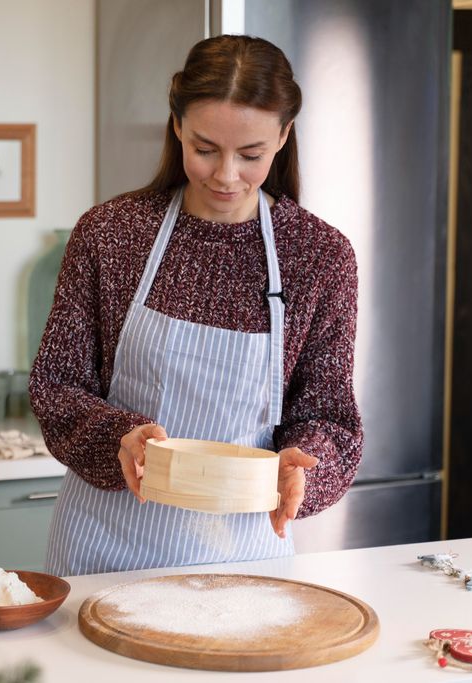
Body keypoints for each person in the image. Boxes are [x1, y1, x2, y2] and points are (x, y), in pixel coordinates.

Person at [29, 34, 363, 577]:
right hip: (105, 549)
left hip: (243, 556)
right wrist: (118, 435)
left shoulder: (319, 257)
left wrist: (306, 464)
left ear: (283, 136)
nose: (226, 175)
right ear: (178, 125)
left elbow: (329, 417)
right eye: (205, 149)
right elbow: (55, 384)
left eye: (250, 154)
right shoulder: (113, 234)